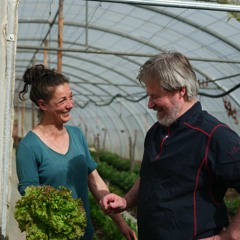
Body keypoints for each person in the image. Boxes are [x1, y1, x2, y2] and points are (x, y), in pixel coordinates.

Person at [100, 51, 240, 240]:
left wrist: (230, 235)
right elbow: (148, 178)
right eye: (148, 96)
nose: (150, 104)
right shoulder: (156, 131)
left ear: (181, 90)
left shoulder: (213, 135)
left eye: (155, 96)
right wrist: (126, 201)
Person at [16, 64, 137, 240]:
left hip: (85, 234)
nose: (70, 105)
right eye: (62, 101)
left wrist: (121, 223)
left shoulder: (77, 135)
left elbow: (95, 181)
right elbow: (32, 200)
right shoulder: (29, 147)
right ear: (43, 104)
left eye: (71, 97)